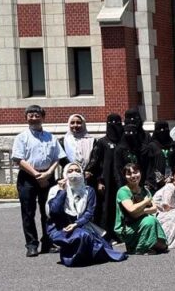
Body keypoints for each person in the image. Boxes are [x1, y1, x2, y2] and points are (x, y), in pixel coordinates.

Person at [46, 163, 127, 267]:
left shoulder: (88, 190)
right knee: (83, 235)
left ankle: (84, 256)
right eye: (70, 171)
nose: (74, 173)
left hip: (81, 224)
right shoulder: (55, 189)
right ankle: (72, 258)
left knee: (103, 248)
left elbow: (89, 212)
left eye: (77, 170)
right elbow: (54, 211)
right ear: (64, 174)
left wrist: (76, 224)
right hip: (61, 226)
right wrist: (62, 191)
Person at [13, 105, 63, 257]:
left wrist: (47, 173)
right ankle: (31, 244)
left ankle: (48, 242)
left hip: (48, 176)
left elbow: (57, 158)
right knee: (28, 212)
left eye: (37, 115)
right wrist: (36, 175)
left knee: (48, 212)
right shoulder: (21, 137)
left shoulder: (51, 137)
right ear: (26, 118)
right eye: (30, 115)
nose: (34, 118)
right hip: (28, 178)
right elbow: (18, 159)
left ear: (43, 117)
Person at [115, 163, 167, 254]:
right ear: (124, 176)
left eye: (135, 172)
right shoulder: (122, 191)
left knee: (163, 245)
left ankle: (143, 244)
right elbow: (131, 210)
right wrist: (145, 202)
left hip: (141, 221)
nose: (133, 176)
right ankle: (139, 249)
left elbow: (154, 208)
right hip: (127, 227)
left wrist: (141, 212)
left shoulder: (144, 190)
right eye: (129, 174)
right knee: (150, 220)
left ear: (140, 173)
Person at [88, 113, 124, 242]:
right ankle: (106, 235)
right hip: (107, 182)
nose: (115, 126)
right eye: (112, 123)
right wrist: (99, 181)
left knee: (121, 206)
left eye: (118, 123)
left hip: (123, 180)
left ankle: (120, 233)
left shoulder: (124, 141)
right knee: (106, 208)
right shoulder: (102, 142)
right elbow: (96, 163)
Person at [147, 121, 175, 190]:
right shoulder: (152, 146)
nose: (162, 132)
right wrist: (160, 178)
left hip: (172, 180)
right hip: (156, 182)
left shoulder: (174, 145)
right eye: (160, 129)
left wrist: (172, 177)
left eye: (165, 129)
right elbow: (150, 164)